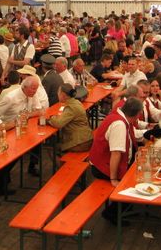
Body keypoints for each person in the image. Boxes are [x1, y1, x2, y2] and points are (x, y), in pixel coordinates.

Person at [89, 97, 143, 225]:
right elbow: (116, 153)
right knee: (135, 179)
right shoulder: (119, 124)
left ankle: (127, 207)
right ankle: (112, 213)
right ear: (136, 114)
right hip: (102, 167)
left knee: (138, 169)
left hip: (103, 162)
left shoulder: (118, 116)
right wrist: (113, 179)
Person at [48, 83, 92, 152]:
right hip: (86, 138)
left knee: (53, 148)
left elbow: (58, 123)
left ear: (63, 95)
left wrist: (51, 118)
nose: (57, 95)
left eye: (58, 93)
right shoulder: (76, 102)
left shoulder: (70, 107)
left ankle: (60, 159)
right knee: (58, 144)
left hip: (80, 142)